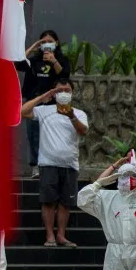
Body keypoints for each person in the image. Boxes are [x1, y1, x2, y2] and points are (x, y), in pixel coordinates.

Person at [21, 78, 88, 247]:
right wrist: (45, 95)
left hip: (70, 164)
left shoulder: (79, 113)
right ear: (54, 93)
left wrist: (71, 116)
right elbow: (22, 111)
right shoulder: (44, 110)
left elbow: (83, 131)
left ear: (72, 93)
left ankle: (61, 235)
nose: (64, 93)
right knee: (48, 201)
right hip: (48, 163)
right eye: (60, 90)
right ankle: (50, 235)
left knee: (66, 203)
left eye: (67, 90)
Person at [17, 30, 70, 178]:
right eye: (43, 42)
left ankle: (51, 165)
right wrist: (33, 47)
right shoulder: (34, 60)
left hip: (54, 104)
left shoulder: (61, 59)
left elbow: (65, 76)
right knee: (33, 134)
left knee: (52, 135)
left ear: (56, 43)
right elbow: (19, 63)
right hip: (34, 103)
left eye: (50, 41)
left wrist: (53, 61)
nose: (46, 45)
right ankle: (35, 167)